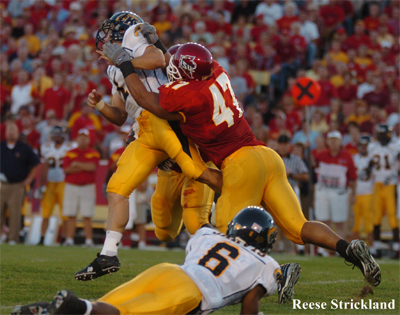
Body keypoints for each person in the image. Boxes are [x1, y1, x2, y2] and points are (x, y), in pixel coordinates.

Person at [103, 41, 381, 286]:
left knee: (228, 237)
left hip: (239, 163)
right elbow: (188, 62)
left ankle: (277, 276)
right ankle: (348, 248)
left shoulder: (187, 96)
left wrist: (125, 64)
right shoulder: (216, 71)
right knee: (298, 227)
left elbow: (144, 99)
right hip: (267, 155)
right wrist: (159, 43)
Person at [75, 12, 221, 281]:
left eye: (109, 32)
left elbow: (160, 58)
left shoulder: (133, 37)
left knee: (196, 191)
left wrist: (124, 59)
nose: (104, 38)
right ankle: (108, 254)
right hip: (144, 128)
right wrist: (100, 106)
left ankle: (238, 231)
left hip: (169, 121)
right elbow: (120, 115)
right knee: (121, 191)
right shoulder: (113, 69)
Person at [12, 206, 302, 315]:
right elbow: (249, 305)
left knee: (110, 306)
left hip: (168, 271)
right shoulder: (268, 264)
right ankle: (77, 306)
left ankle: (57, 309)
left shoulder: (208, 236)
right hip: (192, 293)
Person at [314, 131, 357, 256]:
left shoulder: (347, 156)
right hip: (323, 191)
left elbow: (353, 177)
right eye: (331, 139)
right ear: (327, 141)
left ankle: (340, 249)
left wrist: (353, 194)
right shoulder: (321, 155)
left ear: (340, 141)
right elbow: (313, 169)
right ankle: (323, 249)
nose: (333, 142)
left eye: (336, 140)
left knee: (339, 222)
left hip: (339, 193)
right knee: (323, 222)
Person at [0, 122, 40, 244]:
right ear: (6, 133)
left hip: (17, 185)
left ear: (18, 133)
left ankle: (13, 238)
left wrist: (29, 179)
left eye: (14, 131)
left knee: (15, 213)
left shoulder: (24, 147)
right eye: (9, 130)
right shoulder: (1, 146)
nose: (11, 133)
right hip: (2, 184)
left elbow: (36, 164)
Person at [37, 126, 76, 245]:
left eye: (59, 134)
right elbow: (44, 167)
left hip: (64, 182)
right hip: (50, 182)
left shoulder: (70, 147)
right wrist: (40, 185)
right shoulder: (46, 147)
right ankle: (42, 238)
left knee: (64, 214)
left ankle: (64, 238)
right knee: (46, 212)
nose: (57, 136)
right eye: (55, 134)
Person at [62, 128, 100, 247]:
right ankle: (69, 239)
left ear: (88, 139)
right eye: (81, 137)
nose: (82, 139)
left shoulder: (93, 152)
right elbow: (67, 169)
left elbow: (92, 167)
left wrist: (77, 164)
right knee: (70, 214)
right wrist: (84, 167)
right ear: (77, 139)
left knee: (87, 214)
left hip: (87, 186)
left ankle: (88, 240)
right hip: (72, 186)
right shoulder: (70, 152)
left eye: (85, 137)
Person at [367, 124, 399, 258]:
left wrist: (392, 176)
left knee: (392, 215)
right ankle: (377, 246)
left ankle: (397, 247)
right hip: (377, 185)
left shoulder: (395, 146)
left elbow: (398, 166)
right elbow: (370, 164)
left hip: (390, 184)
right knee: (377, 215)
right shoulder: (372, 147)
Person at [352, 135, 374, 247]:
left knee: (368, 222)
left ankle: (372, 246)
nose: (364, 148)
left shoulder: (373, 158)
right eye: (362, 145)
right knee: (355, 223)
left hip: (368, 193)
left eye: (366, 145)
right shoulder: (354, 158)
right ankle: (356, 248)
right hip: (356, 193)